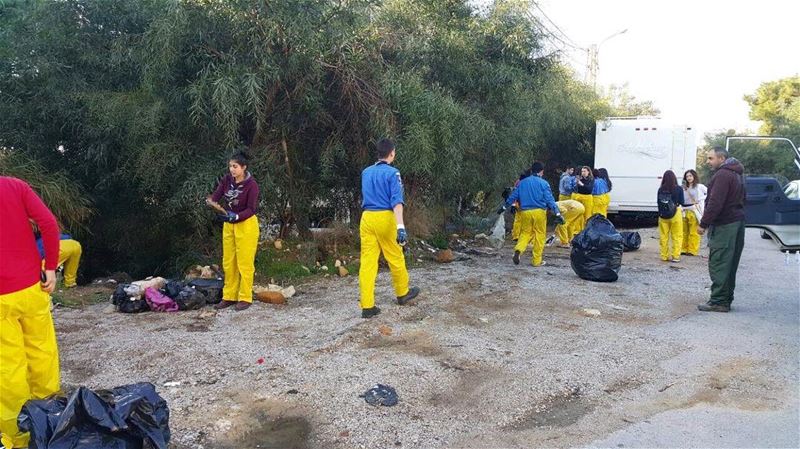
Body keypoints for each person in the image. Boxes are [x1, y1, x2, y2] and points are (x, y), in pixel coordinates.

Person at [0, 176, 61, 449]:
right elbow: (48, 222)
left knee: (8, 367)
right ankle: (52, 422)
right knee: (42, 354)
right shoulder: (15, 186)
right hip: (32, 287)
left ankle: (18, 437)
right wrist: (50, 268)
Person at [359, 138, 420, 319]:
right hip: (385, 218)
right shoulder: (393, 174)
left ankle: (367, 306)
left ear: (378, 153)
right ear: (392, 153)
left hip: (367, 218)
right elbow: (397, 202)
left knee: (368, 263)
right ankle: (403, 293)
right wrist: (400, 227)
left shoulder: (366, 172)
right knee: (395, 256)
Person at [207, 151, 260, 311]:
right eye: (230, 166)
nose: (232, 169)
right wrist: (211, 202)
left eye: (235, 166)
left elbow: (251, 209)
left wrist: (237, 216)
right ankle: (229, 296)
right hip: (229, 224)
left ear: (244, 167)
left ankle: (245, 297)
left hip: (246, 224)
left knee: (244, 262)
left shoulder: (252, 185)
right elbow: (216, 196)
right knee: (229, 262)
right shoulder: (227, 180)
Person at [696, 148, 746, 313]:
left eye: (711, 158)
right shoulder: (737, 174)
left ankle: (718, 301)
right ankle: (725, 299)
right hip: (737, 223)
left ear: (721, 158)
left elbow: (715, 203)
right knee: (730, 264)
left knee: (719, 262)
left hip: (725, 225)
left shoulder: (723, 175)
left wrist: (703, 224)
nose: (708, 162)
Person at [498, 161, 564, 267]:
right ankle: (536, 261)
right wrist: (557, 213)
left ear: (532, 170)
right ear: (541, 172)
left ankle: (519, 250)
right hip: (539, 212)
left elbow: (513, 196)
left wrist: (504, 207)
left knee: (525, 233)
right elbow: (550, 200)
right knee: (539, 235)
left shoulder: (523, 182)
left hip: (525, 212)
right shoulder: (544, 183)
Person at [657, 170, 685, 262]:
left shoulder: (660, 189)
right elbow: (682, 202)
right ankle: (676, 256)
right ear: (674, 178)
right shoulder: (679, 189)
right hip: (675, 214)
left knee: (663, 236)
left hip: (662, 216)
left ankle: (664, 256)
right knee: (677, 236)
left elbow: (658, 202)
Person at [681, 169, 707, 256]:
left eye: (690, 176)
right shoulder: (683, 187)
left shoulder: (700, 186)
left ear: (694, 176)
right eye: (687, 176)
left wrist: (701, 199)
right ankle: (683, 249)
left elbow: (709, 193)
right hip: (684, 210)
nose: (688, 178)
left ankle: (692, 250)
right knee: (684, 231)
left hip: (693, 210)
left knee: (694, 232)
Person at [511, 169, 532, 240]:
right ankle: (524, 235)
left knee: (518, 220)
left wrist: (513, 204)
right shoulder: (528, 182)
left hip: (518, 203)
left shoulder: (518, 182)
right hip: (525, 203)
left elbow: (514, 194)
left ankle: (516, 235)